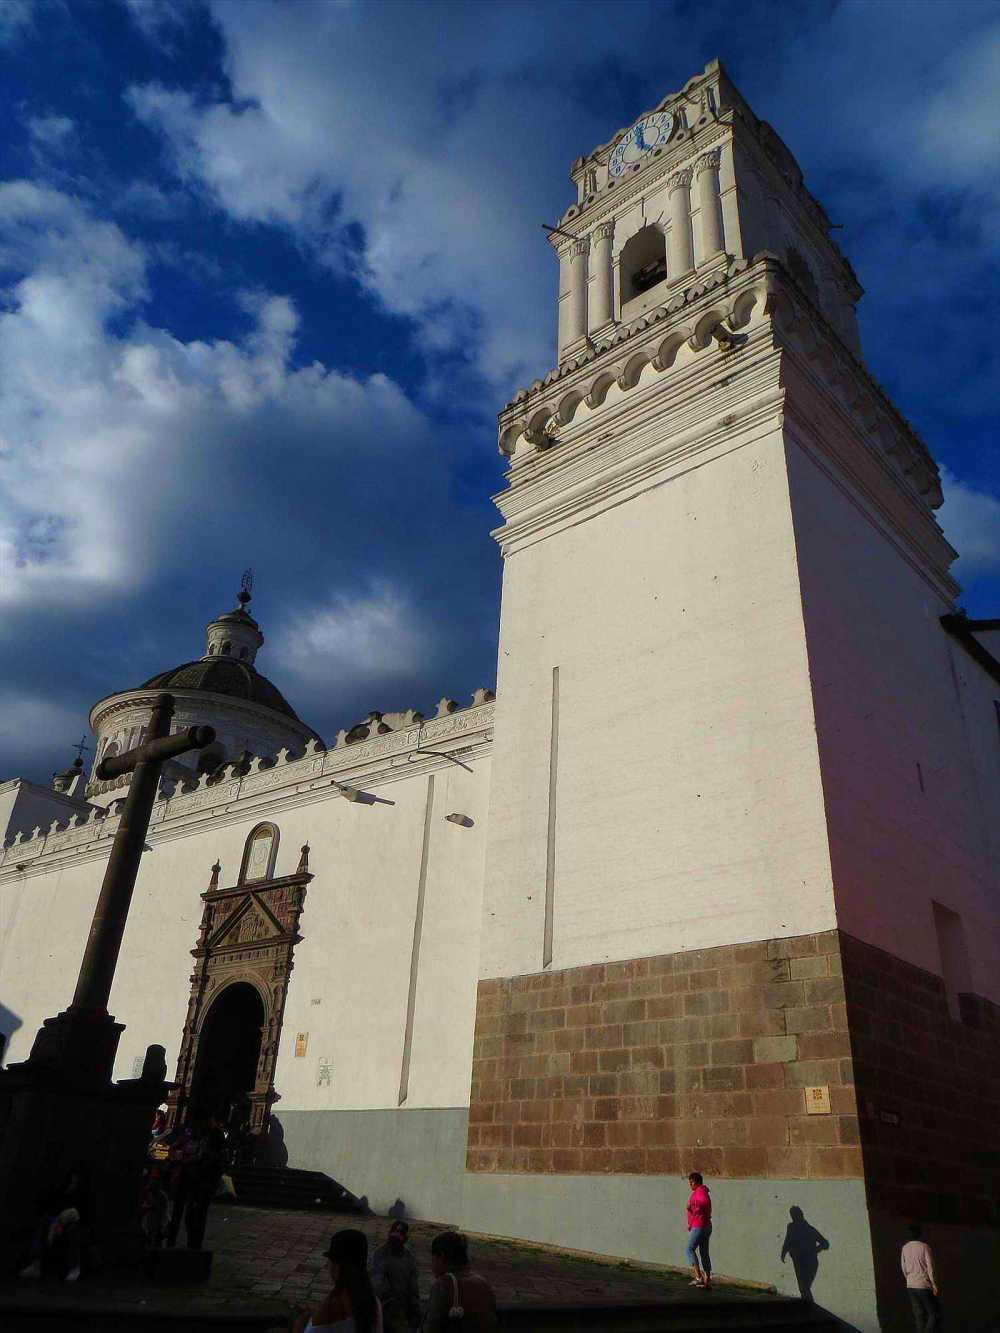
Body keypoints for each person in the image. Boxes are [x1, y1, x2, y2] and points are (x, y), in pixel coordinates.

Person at [293, 1229, 382, 1333]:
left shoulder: (333, 1304)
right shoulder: (374, 1302)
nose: (327, 1265)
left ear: (337, 1266)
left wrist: (300, 1323)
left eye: (329, 1261)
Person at [18, 1166, 93, 1281]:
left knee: (73, 1231)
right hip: (56, 1222)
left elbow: (82, 1215)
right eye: (73, 1176)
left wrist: (65, 1221)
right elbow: (53, 1208)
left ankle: (74, 1267)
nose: (74, 1179)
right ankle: (36, 1264)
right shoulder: (62, 1190)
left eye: (77, 1177)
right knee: (43, 1224)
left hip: (73, 1224)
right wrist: (55, 1222)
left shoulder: (84, 1195)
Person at [422, 1230, 497, 1332]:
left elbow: (430, 1328)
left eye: (433, 1259)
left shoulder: (443, 1285)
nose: (432, 1265)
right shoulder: (483, 1283)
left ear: (441, 1256)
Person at [371, 1220, 421, 1333]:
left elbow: (414, 1290)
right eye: (393, 1236)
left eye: (398, 1238)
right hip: (384, 1311)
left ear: (405, 1240)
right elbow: (378, 1285)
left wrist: (415, 1313)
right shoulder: (379, 1254)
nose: (394, 1241)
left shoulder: (409, 1258)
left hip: (403, 1311)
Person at [901, 1224, 940, 1332]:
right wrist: (934, 1284)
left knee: (919, 1315)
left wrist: (908, 1279)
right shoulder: (924, 1247)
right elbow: (930, 1267)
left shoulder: (905, 1248)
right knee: (933, 1314)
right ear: (919, 1234)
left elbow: (903, 1267)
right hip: (924, 1284)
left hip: (910, 1285)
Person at [685, 1170, 712, 1289]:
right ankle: (707, 1280)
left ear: (696, 1182)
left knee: (689, 1249)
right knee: (704, 1253)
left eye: (691, 1182)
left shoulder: (700, 1192)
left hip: (699, 1226)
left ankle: (698, 1277)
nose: (690, 1185)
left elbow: (702, 1202)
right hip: (706, 1226)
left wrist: (693, 1207)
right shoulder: (703, 1191)